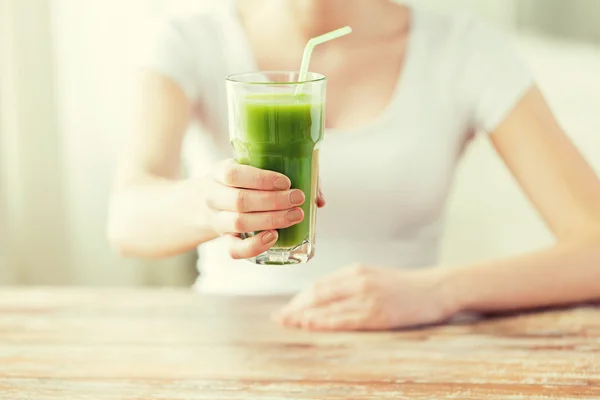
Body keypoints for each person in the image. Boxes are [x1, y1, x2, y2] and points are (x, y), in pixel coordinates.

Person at [108, 0, 600, 331]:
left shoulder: (462, 48)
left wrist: (440, 291)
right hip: (232, 341)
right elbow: (127, 219)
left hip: (407, 347)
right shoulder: (191, 37)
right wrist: (210, 202)